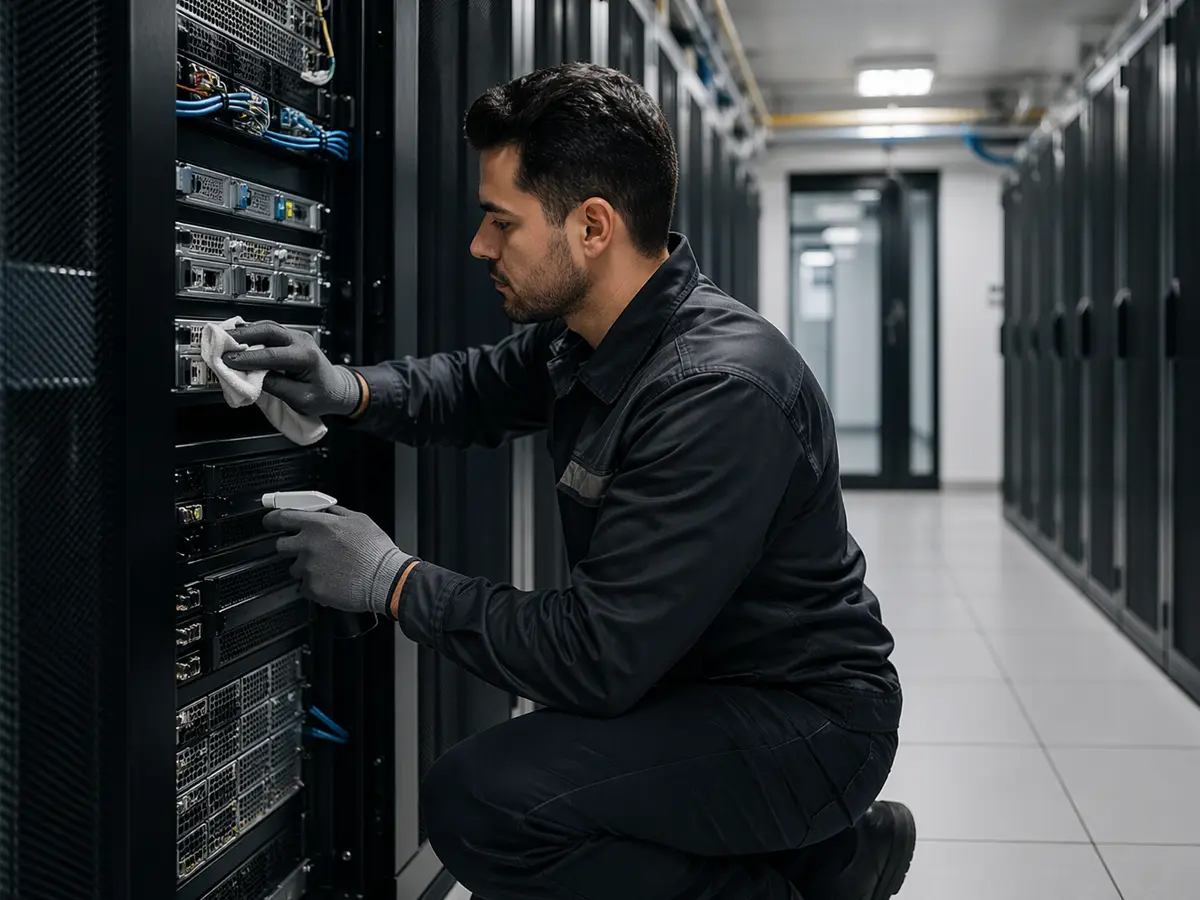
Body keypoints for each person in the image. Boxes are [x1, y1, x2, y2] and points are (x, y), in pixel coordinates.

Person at [224, 62, 914, 900]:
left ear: (593, 226)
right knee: (545, 756)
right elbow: (474, 386)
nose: (480, 245)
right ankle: (831, 865)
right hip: (700, 682)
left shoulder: (715, 392)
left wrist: (392, 581)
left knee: (484, 801)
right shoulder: (594, 332)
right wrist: (350, 388)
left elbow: (596, 656)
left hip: (805, 726)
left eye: (500, 222)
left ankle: (793, 874)